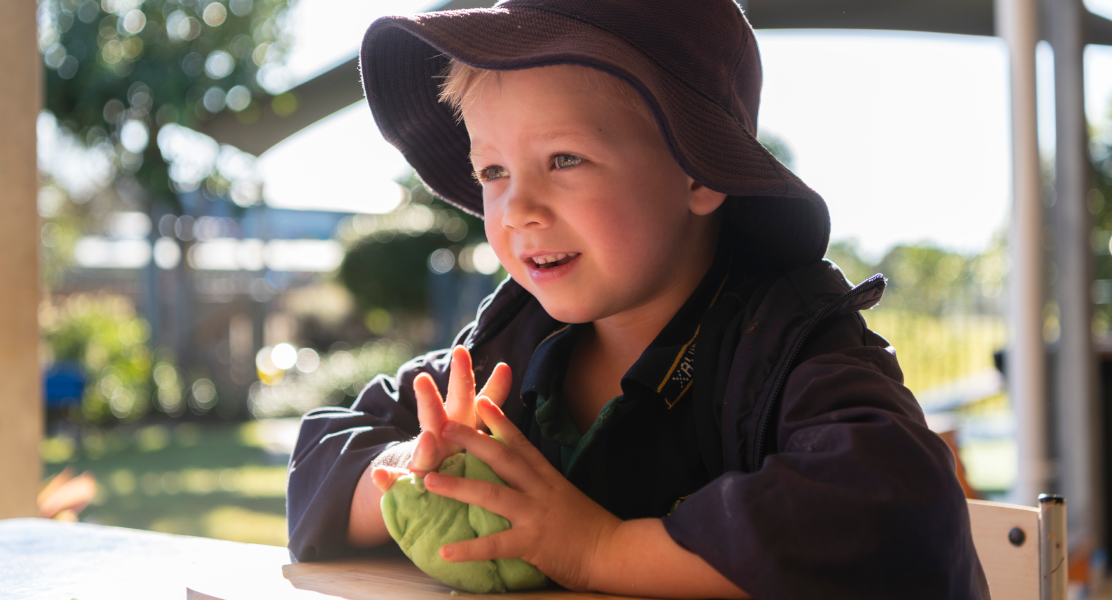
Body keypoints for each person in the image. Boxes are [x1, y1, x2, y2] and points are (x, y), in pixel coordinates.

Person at [287, 1, 989, 598]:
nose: (517, 208)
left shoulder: (784, 346)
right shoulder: (506, 351)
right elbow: (319, 460)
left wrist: (597, 549)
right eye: (493, 171)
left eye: (564, 159)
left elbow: (897, 502)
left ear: (699, 172)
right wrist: (417, 466)